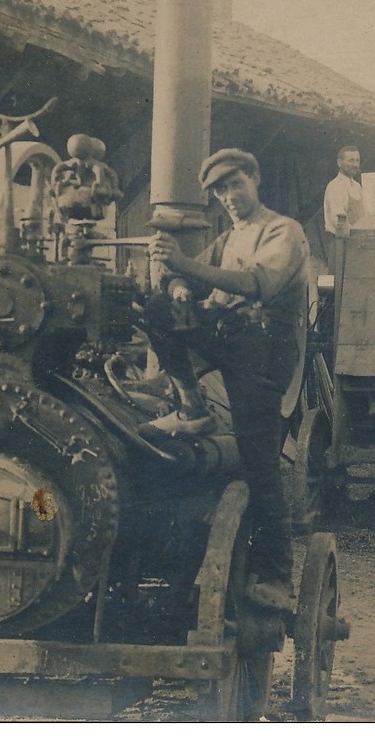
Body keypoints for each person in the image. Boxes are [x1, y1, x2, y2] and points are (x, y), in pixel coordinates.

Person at [144, 148, 308, 609]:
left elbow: (256, 284)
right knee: (157, 309)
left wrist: (183, 264)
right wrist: (177, 286)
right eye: (220, 190)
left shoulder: (283, 231)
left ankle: (277, 577)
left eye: (235, 184)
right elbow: (192, 282)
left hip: (264, 350)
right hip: (229, 334)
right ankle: (191, 407)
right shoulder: (228, 238)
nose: (228, 196)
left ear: (255, 179)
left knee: (260, 462)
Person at [321, 145, 365, 269]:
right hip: (341, 244)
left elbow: (362, 217)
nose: (355, 165)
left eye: (357, 160)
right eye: (351, 160)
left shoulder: (357, 186)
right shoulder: (335, 186)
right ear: (339, 163)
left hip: (355, 244)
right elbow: (338, 220)